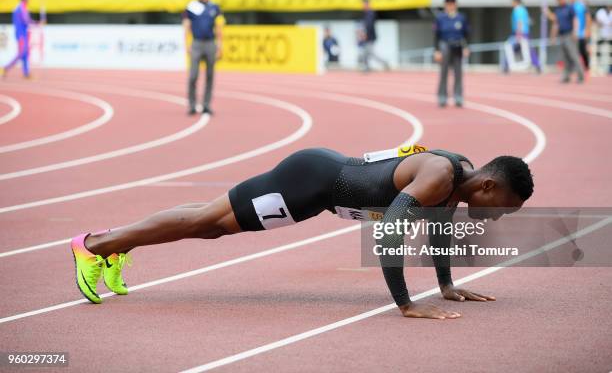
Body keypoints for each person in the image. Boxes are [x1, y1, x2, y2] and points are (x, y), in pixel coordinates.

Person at [70, 145, 533, 320]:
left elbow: (437, 233)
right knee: (205, 223)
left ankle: (115, 244)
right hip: (308, 183)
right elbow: (390, 229)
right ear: (488, 186)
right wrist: (407, 304)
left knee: (210, 223)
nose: (498, 217)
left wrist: (447, 285)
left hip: (317, 189)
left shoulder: (459, 181)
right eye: (503, 208)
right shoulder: (440, 176)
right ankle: (94, 246)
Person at [183, 0, 225, 116]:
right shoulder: (191, 6)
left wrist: (219, 45)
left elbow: (219, 27)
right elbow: (186, 26)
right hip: (196, 43)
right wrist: (187, 43)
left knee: (210, 75)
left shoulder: (214, 7)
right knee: (193, 75)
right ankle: (192, 104)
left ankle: (206, 104)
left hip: (210, 43)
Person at [434, 0, 470, 107]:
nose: (450, 6)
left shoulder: (461, 18)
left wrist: (466, 47)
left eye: (452, 3)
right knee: (444, 72)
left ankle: (458, 96)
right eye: (448, 4)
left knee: (458, 73)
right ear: (445, 5)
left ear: (455, 4)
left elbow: (467, 34)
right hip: (445, 45)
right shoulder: (440, 18)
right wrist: (437, 50)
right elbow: (436, 35)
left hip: (458, 45)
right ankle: (442, 96)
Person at [1, 0, 42, 79]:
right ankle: (6, 68)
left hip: (22, 33)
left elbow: (26, 20)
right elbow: (26, 21)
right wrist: (38, 23)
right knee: (21, 53)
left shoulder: (21, 8)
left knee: (25, 54)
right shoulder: (20, 9)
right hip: (21, 34)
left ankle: (26, 73)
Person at [547, 0, 584, 83]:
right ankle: (566, 76)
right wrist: (553, 36)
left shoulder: (569, 8)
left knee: (574, 55)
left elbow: (575, 19)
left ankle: (580, 75)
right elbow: (556, 24)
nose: (560, 0)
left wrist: (576, 31)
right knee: (565, 57)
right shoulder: (558, 10)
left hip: (569, 34)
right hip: (562, 35)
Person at [503, 0, 541, 73]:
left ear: (516, 1)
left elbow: (519, 22)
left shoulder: (518, 10)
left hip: (520, 33)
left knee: (511, 48)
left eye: (513, 1)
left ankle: (506, 67)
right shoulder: (524, 10)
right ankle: (537, 66)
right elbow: (528, 21)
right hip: (523, 32)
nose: (512, 3)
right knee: (526, 49)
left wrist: (518, 34)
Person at [360, 0, 390, 72]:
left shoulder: (370, 13)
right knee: (366, 53)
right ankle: (367, 67)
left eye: (364, 3)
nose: (363, 5)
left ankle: (384, 63)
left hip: (370, 36)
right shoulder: (367, 13)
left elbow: (369, 25)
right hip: (369, 36)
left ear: (367, 4)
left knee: (370, 53)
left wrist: (365, 34)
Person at [568, 0, 592, 72]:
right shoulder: (570, 6)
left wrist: (587, 30)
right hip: (573, 34)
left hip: (582, 33)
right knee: (574, 53)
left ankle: (587, 68)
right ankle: (577, 69)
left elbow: (588, 18)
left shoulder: (581, 6)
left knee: (583, 51)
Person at [595, 5, 612, 74]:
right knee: (599, 51)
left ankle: (610, 68)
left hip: (610, 35)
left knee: (610, 53)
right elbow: (598, 22)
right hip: (602, 35)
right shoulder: (600, 12)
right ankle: (599, 67)